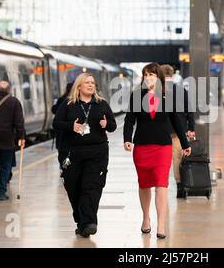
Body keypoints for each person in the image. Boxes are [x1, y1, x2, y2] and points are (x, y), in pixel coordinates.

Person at [123, 63, 191, 239]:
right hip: (142, 146)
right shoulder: (136, 96)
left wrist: (185, 144)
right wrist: (127, 139)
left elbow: (176, 121)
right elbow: (129, 119)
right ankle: (146, 218)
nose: (148, 77)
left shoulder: (167, 97)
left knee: (162, 184)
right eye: (145, 75)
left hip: (162, 146)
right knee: (144, 184)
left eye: (152, 74)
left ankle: (161, 223)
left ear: (159, 77)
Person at [53, 73, 117, 238]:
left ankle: (89, 222)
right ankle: (81, 222)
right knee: (73, 187)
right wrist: (70, 126)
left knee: (92, 186)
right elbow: (56, 124)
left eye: (92, 83)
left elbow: (113, 125)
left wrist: (106, 124)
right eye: (87, 82)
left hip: (97, 152)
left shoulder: (101, 104)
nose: (90, 85)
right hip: (72, 153)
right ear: (79, 86)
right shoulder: (68, 104)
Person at [160, 64, 196, 199]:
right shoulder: (181, 90)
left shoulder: (157, 90)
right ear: (173, 74)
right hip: (178, 131)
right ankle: (180, 186)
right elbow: (189, 110)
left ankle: (163, 186)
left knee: (163, 160)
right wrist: (191, 128)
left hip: (161, 131)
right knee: (177, 159)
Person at [52, 82, 74, 170]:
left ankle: (65, 168)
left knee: (63, 154)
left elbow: (55, 110)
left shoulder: (62, 99)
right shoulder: (76, 100)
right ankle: (67, 168)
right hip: (72, 136)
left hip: (61, 134)